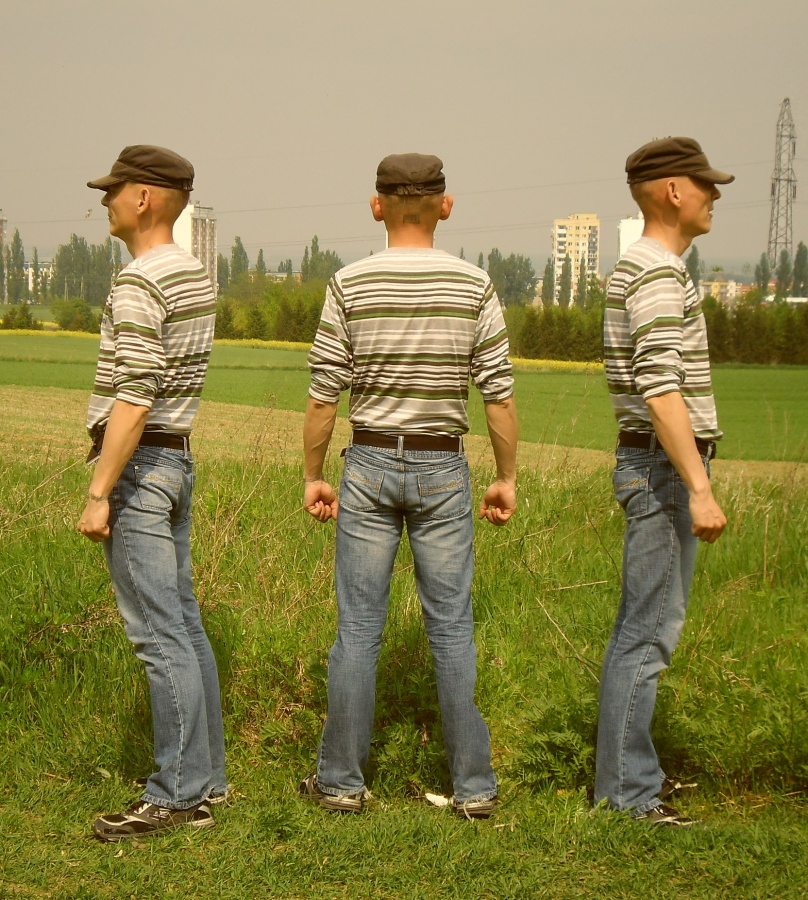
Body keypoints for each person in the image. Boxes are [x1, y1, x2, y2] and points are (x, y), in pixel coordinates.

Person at [300, 153, 518, 819]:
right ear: (445, 207)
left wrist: (313, 474)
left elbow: (323, 396)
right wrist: (506, 476)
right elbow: (499, 396)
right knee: (451, 629)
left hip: (366, 463)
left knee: (358, 628)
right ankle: (474, 788)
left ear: (377, 206)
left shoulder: (348, 284)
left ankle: (340, 782)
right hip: (443, 467)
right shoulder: (475, 286)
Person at [77, 145, 227, 841]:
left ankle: (174, 795)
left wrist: (99, 490)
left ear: (143, 198)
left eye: (113, 191)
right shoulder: (194, 273)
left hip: (140, 468)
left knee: (156, 634)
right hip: (177, 458)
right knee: (184, 626)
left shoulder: (140, 280)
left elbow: (135, 395)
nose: (104, 201)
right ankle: (207, 783)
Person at [595, 137, 733, 826]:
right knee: (647, 632)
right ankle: (627, 794)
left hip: (656, 464)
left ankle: (629, 780)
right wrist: (698, 486)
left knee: (648, 627)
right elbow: (660, 386)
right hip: (663, 468)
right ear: (673, 191)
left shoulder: (652, 267)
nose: (715, 195)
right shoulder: (655, 272)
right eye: (705, 184)